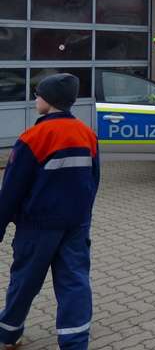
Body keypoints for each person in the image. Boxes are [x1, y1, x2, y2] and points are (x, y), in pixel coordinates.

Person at [0, 74, 100, 350]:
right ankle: (75, 343)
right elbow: (93, 180)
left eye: (39, 94)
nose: (35, 99)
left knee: (24, 281)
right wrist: (83, 217)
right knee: (74, 282)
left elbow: (11, 190)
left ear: (50, 100)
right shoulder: (87, 134)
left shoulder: (32, 137)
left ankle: (8, 335)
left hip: (37, 227)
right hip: (75, 225)